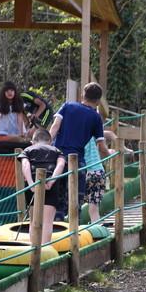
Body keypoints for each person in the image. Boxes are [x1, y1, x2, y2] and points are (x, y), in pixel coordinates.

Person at [48, 82, 111, 220]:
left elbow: (55, 127)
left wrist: (46, 145)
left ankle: (55, 225)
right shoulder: (96, 118)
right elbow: (102, 146)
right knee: (75, 199)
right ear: (99, 100)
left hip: (57, 158)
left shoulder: (67, 106)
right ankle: (72, 231)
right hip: (77, 161)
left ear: (83, 94)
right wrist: (111, 155)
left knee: (56, 195)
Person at [19, 128, 66, 245]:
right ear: (50, 140)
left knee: (34, 221)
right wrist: (52, 181)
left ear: (33, 141)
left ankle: (34, 248)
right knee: (47, 222)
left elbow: (25, 164)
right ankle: (44, 249)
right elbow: (61, 164)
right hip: (50, 185)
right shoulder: (56, 150)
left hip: (33, 184)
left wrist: (30, 184)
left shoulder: (28, 150)